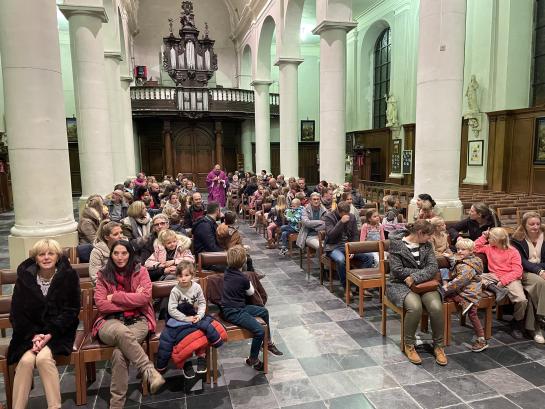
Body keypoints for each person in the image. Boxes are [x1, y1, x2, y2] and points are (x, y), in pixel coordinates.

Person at [8, 239, 80, 409]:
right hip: (29, 335)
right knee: (25, 362)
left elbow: (71, 310)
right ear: (36, 258)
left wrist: (49, 333)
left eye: (51, 253)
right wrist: (34, 335)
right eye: (41, 254)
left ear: (57, 256)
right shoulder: (25, 279)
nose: (46, 257)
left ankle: (54, 406)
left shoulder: (68, 276)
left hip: (58, 332)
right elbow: (17, 313)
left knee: (43, 359)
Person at [93, 241, 165, 408]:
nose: (120, 257)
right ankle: (149, 371)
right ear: (111, 255)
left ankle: (116, 405)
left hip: (138, 320)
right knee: (121, 332)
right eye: (116, 253)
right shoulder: (103, 274)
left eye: (124, 253)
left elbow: (145, 298)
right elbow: (101, 305)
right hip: (109, 321)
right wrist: (133, 299)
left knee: (120, 353)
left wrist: (116, 296)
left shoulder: (141, 271)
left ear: (130, 254)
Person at [387, 220, 447, 366]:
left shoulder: (427, 245)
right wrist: (416, 274)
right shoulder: (397, 244)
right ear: (420, 233)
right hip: (400, 284)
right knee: (415, 308)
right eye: (428, 235)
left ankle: (438, 346)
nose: (430, 239)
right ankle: (409, 345)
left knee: (436, 307)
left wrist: (414, 277)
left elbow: (433, 267)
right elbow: (397, 270)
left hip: (424, 283)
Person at [156, 261, 224, 378]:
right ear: (176, 276)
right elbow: (172, 310)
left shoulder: (196, 287)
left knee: (205, 329)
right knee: (176, 335)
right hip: (179, 317)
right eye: (180, 276)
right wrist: (185, 318)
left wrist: (200, 315)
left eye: (186, 275)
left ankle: (201, 356)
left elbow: (202, 303)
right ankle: (185, 361)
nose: (183, 278)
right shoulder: (175, 290)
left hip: (194, 314)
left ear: (192, 275)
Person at [221, 246, 283, 371]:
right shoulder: (243, 278)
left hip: (238, 307)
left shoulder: (227, 271)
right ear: (244, 261)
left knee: (264, 311)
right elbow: (251, 292)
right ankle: (253, 359)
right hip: (233, 312)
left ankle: (268, 343)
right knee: (259, 331)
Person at [475, 227, 527, 339]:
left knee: (521, 300)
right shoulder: (489, 248)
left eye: (490, 237)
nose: (488, 239)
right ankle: (496, 290)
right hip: (493, 276)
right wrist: (483, 236)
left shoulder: (513, 251)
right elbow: (474, 248)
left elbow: (517, 271)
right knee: (475, 277)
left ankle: (517, 323)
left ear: (497, 239)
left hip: (510, 278)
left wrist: (503, 281)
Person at [442, 238, 488, 352]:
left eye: (463, 249)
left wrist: (446, 287)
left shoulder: (468, 266)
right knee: (449, 295)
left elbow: (460, 280)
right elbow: (458, 262)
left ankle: (481, 339)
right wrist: (450, 257)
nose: (460, 251)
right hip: (466, 289)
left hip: (469, 293)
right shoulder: (469, 260)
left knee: (472, 314)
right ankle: (461, 300)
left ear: (471, 251)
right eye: (458, 249)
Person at [323, 201, 373, 291]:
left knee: (369, 257)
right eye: (343, 214)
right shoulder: (329, 217)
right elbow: (330, 235)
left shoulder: (352, 217)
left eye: (347, 213)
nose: (346, 216)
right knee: (341, 260)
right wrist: (341, 222)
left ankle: (359, 287)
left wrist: (353, 249)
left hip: (348, 246)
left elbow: (355, 235)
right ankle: (346, 287)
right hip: (333, 247)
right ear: (338, 210)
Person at [511, 212, 545, 343]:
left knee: (531, 293)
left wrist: (541, 268)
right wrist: (539, 270)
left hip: (542, 270)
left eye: (537, 223)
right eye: (531, 224)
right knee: (540, 283)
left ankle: (533, 327)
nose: (535, 227)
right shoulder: (517, 239)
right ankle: (540, 319)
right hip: (523, 271)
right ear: (524, 225)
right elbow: (522, 261)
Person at [89, 220, 124, 285]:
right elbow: (95, 278)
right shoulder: (97, 252)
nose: (121, 236)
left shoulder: (126, 247)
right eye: (116, 234)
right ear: (107, 237)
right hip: (107, 288)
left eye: (121, 233)